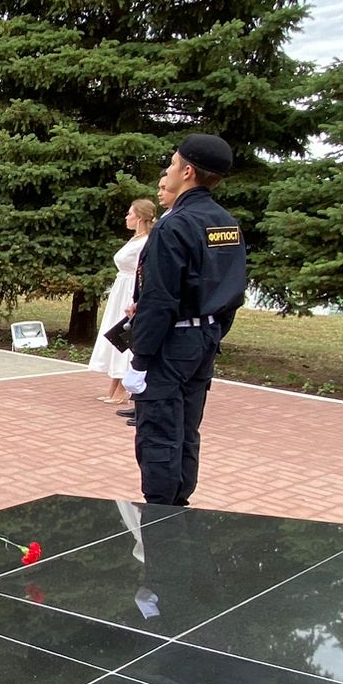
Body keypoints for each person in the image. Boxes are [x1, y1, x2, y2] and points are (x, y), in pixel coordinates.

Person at [124, 133, 247, 506]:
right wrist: (210, 330)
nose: (168, 170)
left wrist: (140, 359)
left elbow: (161, 299)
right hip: (203, 340)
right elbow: (232, 292)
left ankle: (161, 511)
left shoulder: (174, 225)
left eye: (173, 164)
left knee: (159, 430)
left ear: (188, 171)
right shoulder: (225, 223)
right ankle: (181, 506)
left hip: (171, 345)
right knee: (187, 429)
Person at [88, 198, 157, 404]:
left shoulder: (147, 241)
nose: (126, 217)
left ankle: (123, 389)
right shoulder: (135, 239)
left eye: (130, 214)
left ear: (141, 218)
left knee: (124, 333)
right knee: (115, 334)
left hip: (130, 289)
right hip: (120, 288)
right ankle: (114, 385)